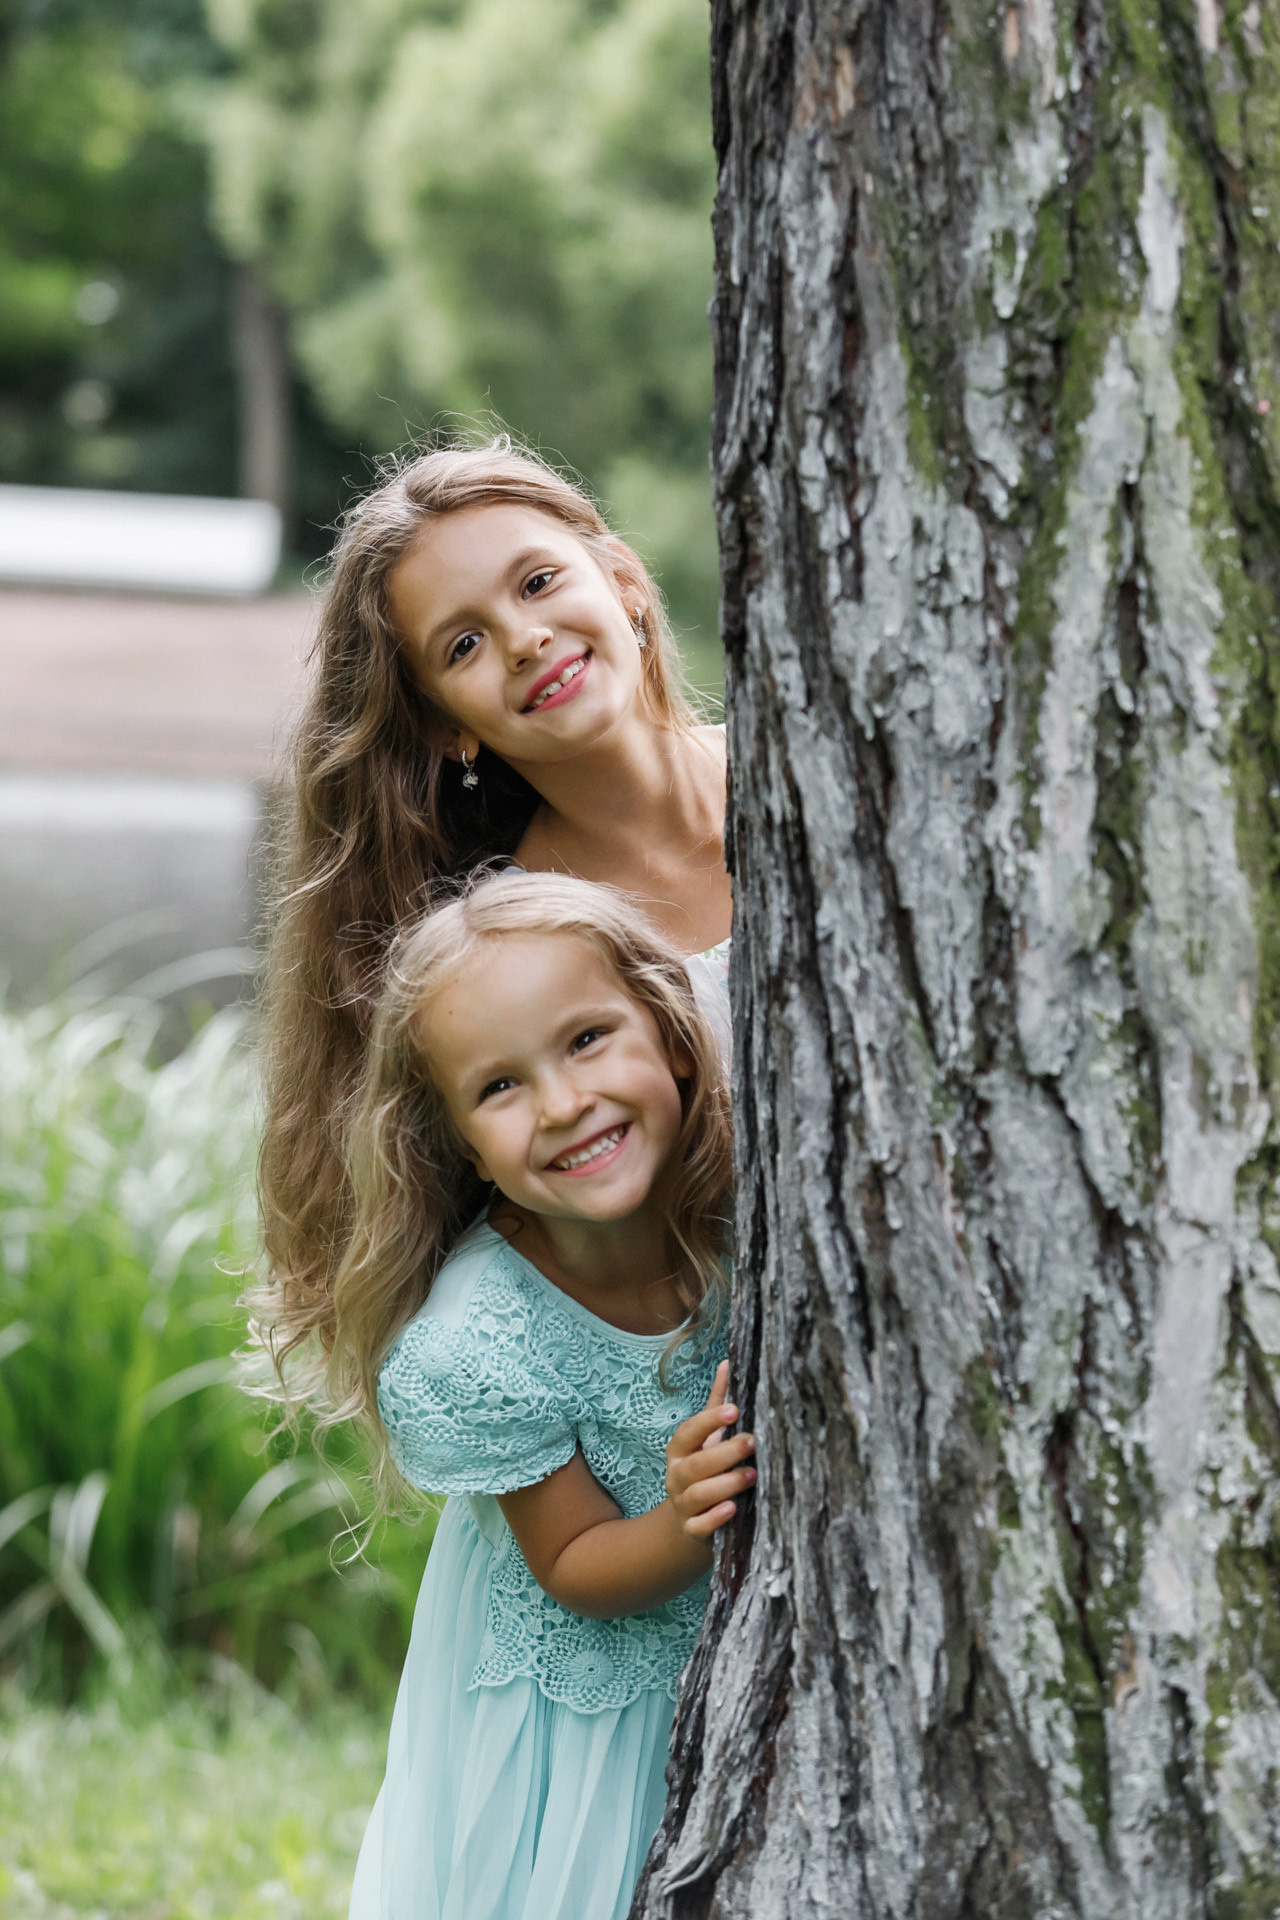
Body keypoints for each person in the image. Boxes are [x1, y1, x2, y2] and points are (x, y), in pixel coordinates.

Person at [262, 869, 753, 1919]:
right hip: (583, 1721)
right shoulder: (477, 1340)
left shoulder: (751, 1191)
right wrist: (681, 1521)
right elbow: (574, 1562)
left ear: (670, 1031)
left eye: (585, 1040)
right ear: (459, 1143)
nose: (564, 1104)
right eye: (499, 1087)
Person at [258, 437, 730, 1369]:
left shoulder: (826, 777)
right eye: (464, 643)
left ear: (625, 581)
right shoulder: (509, 952)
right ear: (445, 725)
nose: (525, 638)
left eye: (540, 581)